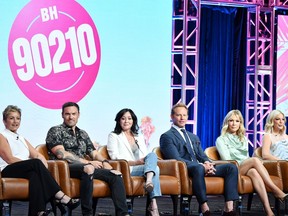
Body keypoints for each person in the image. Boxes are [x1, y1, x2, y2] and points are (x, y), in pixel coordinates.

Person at [45, 102, 129, 216]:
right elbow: (61, 154)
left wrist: (105, 162)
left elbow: (94, 153)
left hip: (85, 167)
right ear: (62, 115)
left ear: (78, 115)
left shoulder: (83, 133)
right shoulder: (55, 130)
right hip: (64, 168)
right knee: (89, 168)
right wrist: (88, 162)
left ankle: (123, 214)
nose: (71, 117)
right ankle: (87, 213)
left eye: (74, 114)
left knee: (116, 174)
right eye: (67, 114)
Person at [160, 103, 239, 216]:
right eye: (178, 115)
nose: (182, 118)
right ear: (172, 116)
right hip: (187, 169)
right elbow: (176, 159)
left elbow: (202, 156)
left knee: (231, 168)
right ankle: (204, 209)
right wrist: (202, 166)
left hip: (201, 167)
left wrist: (208, 163)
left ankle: (229, 209)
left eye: (184, 115)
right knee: (198, 167)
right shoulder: (166, 136)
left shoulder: (193, 136)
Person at [0, 105, 80, 216]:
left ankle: (38, 212)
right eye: (11, 118)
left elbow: (37, 154)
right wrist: (35, 164)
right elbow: (9, 158)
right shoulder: (2, 135)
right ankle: (60, 196)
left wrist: (43, 167)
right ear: (4, 121)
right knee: (35, 164)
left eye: (18, 118)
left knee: (35, 175)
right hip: (8, 170)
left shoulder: (21, 138)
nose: (15, 121)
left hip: (25, 169)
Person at [216, 109, 288, 216]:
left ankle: (268, 211)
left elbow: (245, 157)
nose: (234, 124)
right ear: (227, 123)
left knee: (254, 171)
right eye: (231, 121)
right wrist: (250, 162)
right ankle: (275, 190)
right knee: (254, 160)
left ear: (240, 123)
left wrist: (250, 163)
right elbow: (228, 160)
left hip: (244, 167)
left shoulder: (243, 139)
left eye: (237, 121)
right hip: (233, 169)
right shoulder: (221, 140)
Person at [107, 108, 161, 216]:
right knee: (156, 169)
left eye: (129, 118)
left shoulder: (138, 136)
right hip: (127, 169)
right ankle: (153, 203)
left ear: (133, 121)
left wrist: (150, 160)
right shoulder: (114, 136)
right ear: (118, 121)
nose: (126, 121)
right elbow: (114, 156)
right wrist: (135, 162)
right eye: (123, 118)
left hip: (142, 168)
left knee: (152, 156)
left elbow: (145, 154)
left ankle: (153, 200)